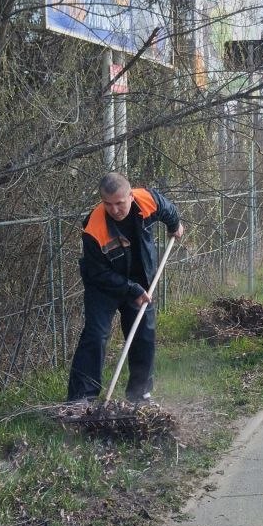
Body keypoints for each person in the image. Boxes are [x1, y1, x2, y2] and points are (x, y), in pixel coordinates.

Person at [67, 172, 184, 403]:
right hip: (103, 286)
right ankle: (81, 398)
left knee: (143, 333)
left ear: (130, 196)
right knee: (96, 334)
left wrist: (175, 225)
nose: (115, 209)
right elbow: (97, 273)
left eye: (120, 203)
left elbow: (168, 209)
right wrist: (132, 290)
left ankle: (139, 394)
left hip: (140, 280)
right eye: (108, 204)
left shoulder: (147, 200)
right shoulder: (93, 228)